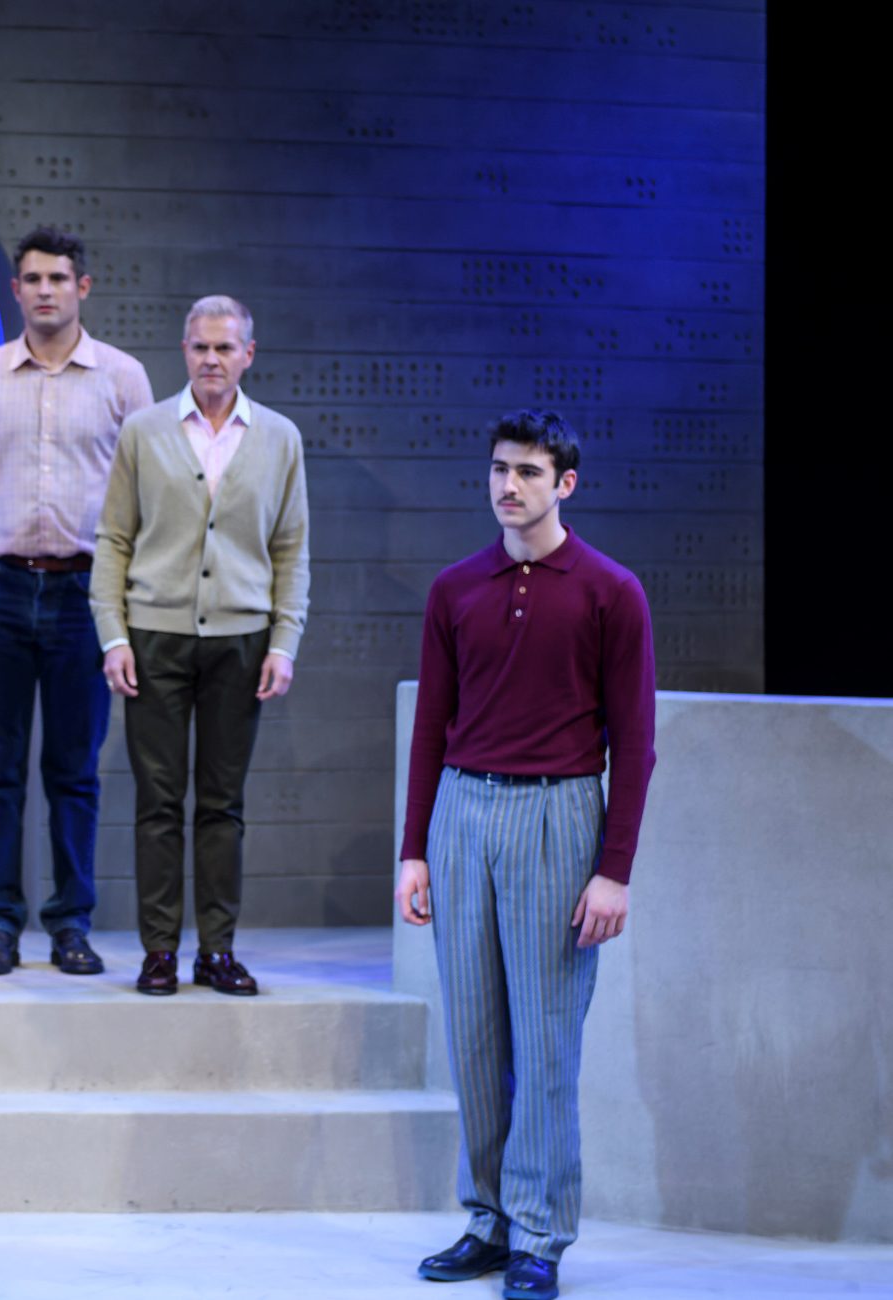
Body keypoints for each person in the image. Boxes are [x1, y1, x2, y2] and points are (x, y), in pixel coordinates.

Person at [394, 410, 655, 1300]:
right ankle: (489, 1221)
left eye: (530, 473)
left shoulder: (610, 591)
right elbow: (432, 724)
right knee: (473, 1035)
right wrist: (414, 849)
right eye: (500, 469)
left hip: (558, 812)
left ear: (565, 484)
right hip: (463, 811)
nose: (510, 486)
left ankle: (540, 1234)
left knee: (544, 1042)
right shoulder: (455, 588)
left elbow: (636, 742)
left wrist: (614, 869)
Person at [92, 295, 310, 997]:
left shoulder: (279, 438)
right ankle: (159, 951)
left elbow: (291, 547)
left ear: (248, 354)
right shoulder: (144, 430)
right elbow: (114, 539)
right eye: (200, 347)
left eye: (225, 347)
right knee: (158, 802)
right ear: (184, 351)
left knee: (222, 802)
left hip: (242, 639)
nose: (211, 359)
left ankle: (218, 950)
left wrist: (284, 641)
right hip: (155, 637)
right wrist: (113, 635)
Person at [0, 226, 153, 976]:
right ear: (16, 290)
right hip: (0, 588)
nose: (45, 290)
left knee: (74, 772)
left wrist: (126, 611)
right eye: (33, 279)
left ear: (83, 287)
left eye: (58, 279)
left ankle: (71, 924)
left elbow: (145, 502)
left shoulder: (123, 379)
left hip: (85, 591)